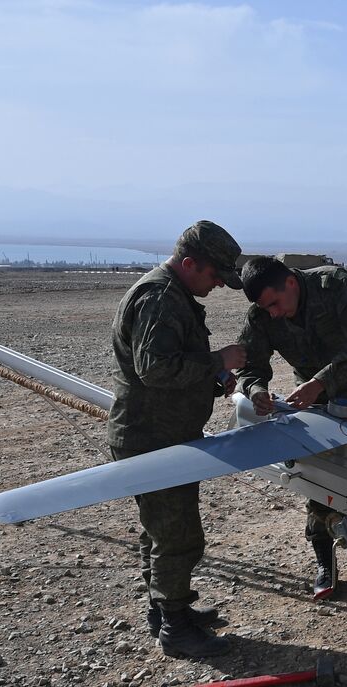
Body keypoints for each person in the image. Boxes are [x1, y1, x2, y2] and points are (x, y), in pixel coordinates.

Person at [107, 220, 246, 659]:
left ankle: (166, 610)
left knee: (160, 529)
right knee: (176, 534)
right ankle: (176, 628)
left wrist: (210, 381)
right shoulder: (161, 298)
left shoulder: (173, 293)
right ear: (189, 264)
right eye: (213, 277)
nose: (217, 287)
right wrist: (216, 360)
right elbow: (156, 369)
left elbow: (168, 371)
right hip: (153, 437)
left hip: (161, 430)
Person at [235, 256, 347, 598]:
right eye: (264, 307)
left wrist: (321, 381)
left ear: (289, 283)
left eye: (274, 303)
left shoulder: (334, 284)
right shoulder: (262, 314)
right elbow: (249, 367)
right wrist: (257, 392)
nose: (272, 313)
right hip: (311, 406)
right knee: (318, 482)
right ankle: (324, 564)